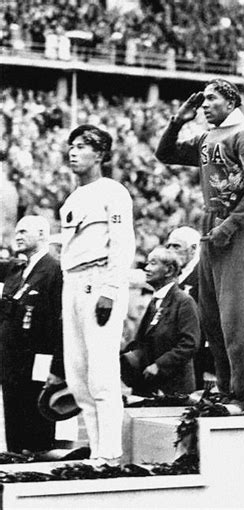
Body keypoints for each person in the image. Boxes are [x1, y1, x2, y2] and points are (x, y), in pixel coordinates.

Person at [155, 79, 244, 404]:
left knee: (236, 315)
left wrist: (229, 226)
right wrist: (178, 121)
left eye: (212, 99)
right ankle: (224, 386)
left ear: (231, 103)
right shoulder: (208, 137)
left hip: (239, 224)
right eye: (203, 99)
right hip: (212, 221)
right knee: (212, 316)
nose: (204, 104)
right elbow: (166, 153)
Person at [60, 124, 135, 464]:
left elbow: (122, 243)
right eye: (71, 146)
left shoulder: (113, 192)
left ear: (101, 155)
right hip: (73, 281)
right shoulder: (73, 197)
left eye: (82, 146)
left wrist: (110, 288)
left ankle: (110, 454)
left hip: (98, 278)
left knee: (101, 373)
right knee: (77, 377)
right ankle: (95, 450)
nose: (73, 152)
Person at [0, 215, 64, 453]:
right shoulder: (16, 269)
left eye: (24, 231)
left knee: (37, 432)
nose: (18, 235)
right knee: (14, 432)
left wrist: (57, 367)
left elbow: (59, 321)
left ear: (41, 234)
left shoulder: (54, 269)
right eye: (16, 231)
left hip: (38, 361)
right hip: (11, 362)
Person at [120, 247, 199, 396]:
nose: (147, 268)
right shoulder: (155, 301)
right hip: (148, 386)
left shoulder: (184, 302)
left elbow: (189, 344)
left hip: (174, 389)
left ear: (168, 270)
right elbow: (143, 341)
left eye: (153, 263)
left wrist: (159, 365)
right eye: (147, 263)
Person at [165, 226, 216, 390]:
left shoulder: (205, 272)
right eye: (169, 246)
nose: (171, 251)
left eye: (176, 246)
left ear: (193, 248)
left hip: (195, 346)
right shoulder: (175, 273)